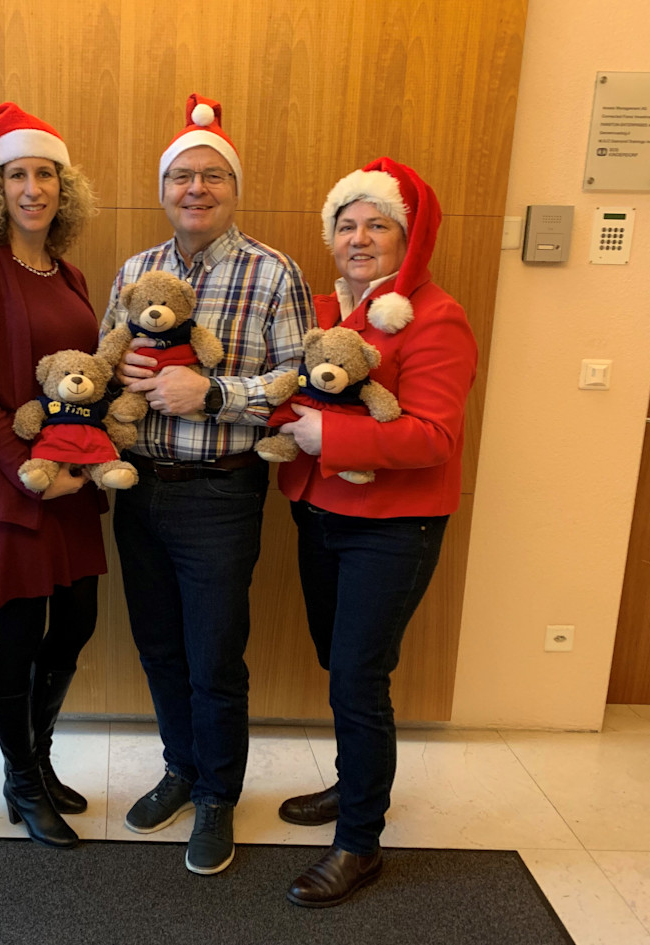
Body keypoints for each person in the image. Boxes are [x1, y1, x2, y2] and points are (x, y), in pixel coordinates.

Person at [101, 93, 314, 876]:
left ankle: (219, 792)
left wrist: (215, 390)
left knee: (214, 652)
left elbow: (297, 379)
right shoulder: (135, 271)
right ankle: (181, 768)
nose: (195, 188)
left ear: (233, 190)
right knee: (158, 644)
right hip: (140, 487)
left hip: (221, 493)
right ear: (163, 191)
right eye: (182, 176)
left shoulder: (273, 271)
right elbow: (99, 366)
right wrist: (116, 371)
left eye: (211, 177)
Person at [274, 158, 477, 908]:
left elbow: (433, 436)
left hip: (393, 527)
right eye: (347, 224)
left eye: (377, 225)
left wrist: (332, 437)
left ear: (407, 236)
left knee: (360, 679)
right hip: (318, 514)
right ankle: (353, 781)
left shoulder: (437, 316)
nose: (359, 238)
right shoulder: (323, 308)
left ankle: (359, 840)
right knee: (340, 662)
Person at [0, 103, 101, 849]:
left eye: (46, 173)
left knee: (76, 625)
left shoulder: (69, 271)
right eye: (17, 174)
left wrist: (92, 463)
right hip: (18, 486)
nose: (33, 187)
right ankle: (19, 780)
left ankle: (38, 757)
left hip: (79, 489)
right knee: (21, 637)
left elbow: (88, 379)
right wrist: (32, 469)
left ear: (63, 188)